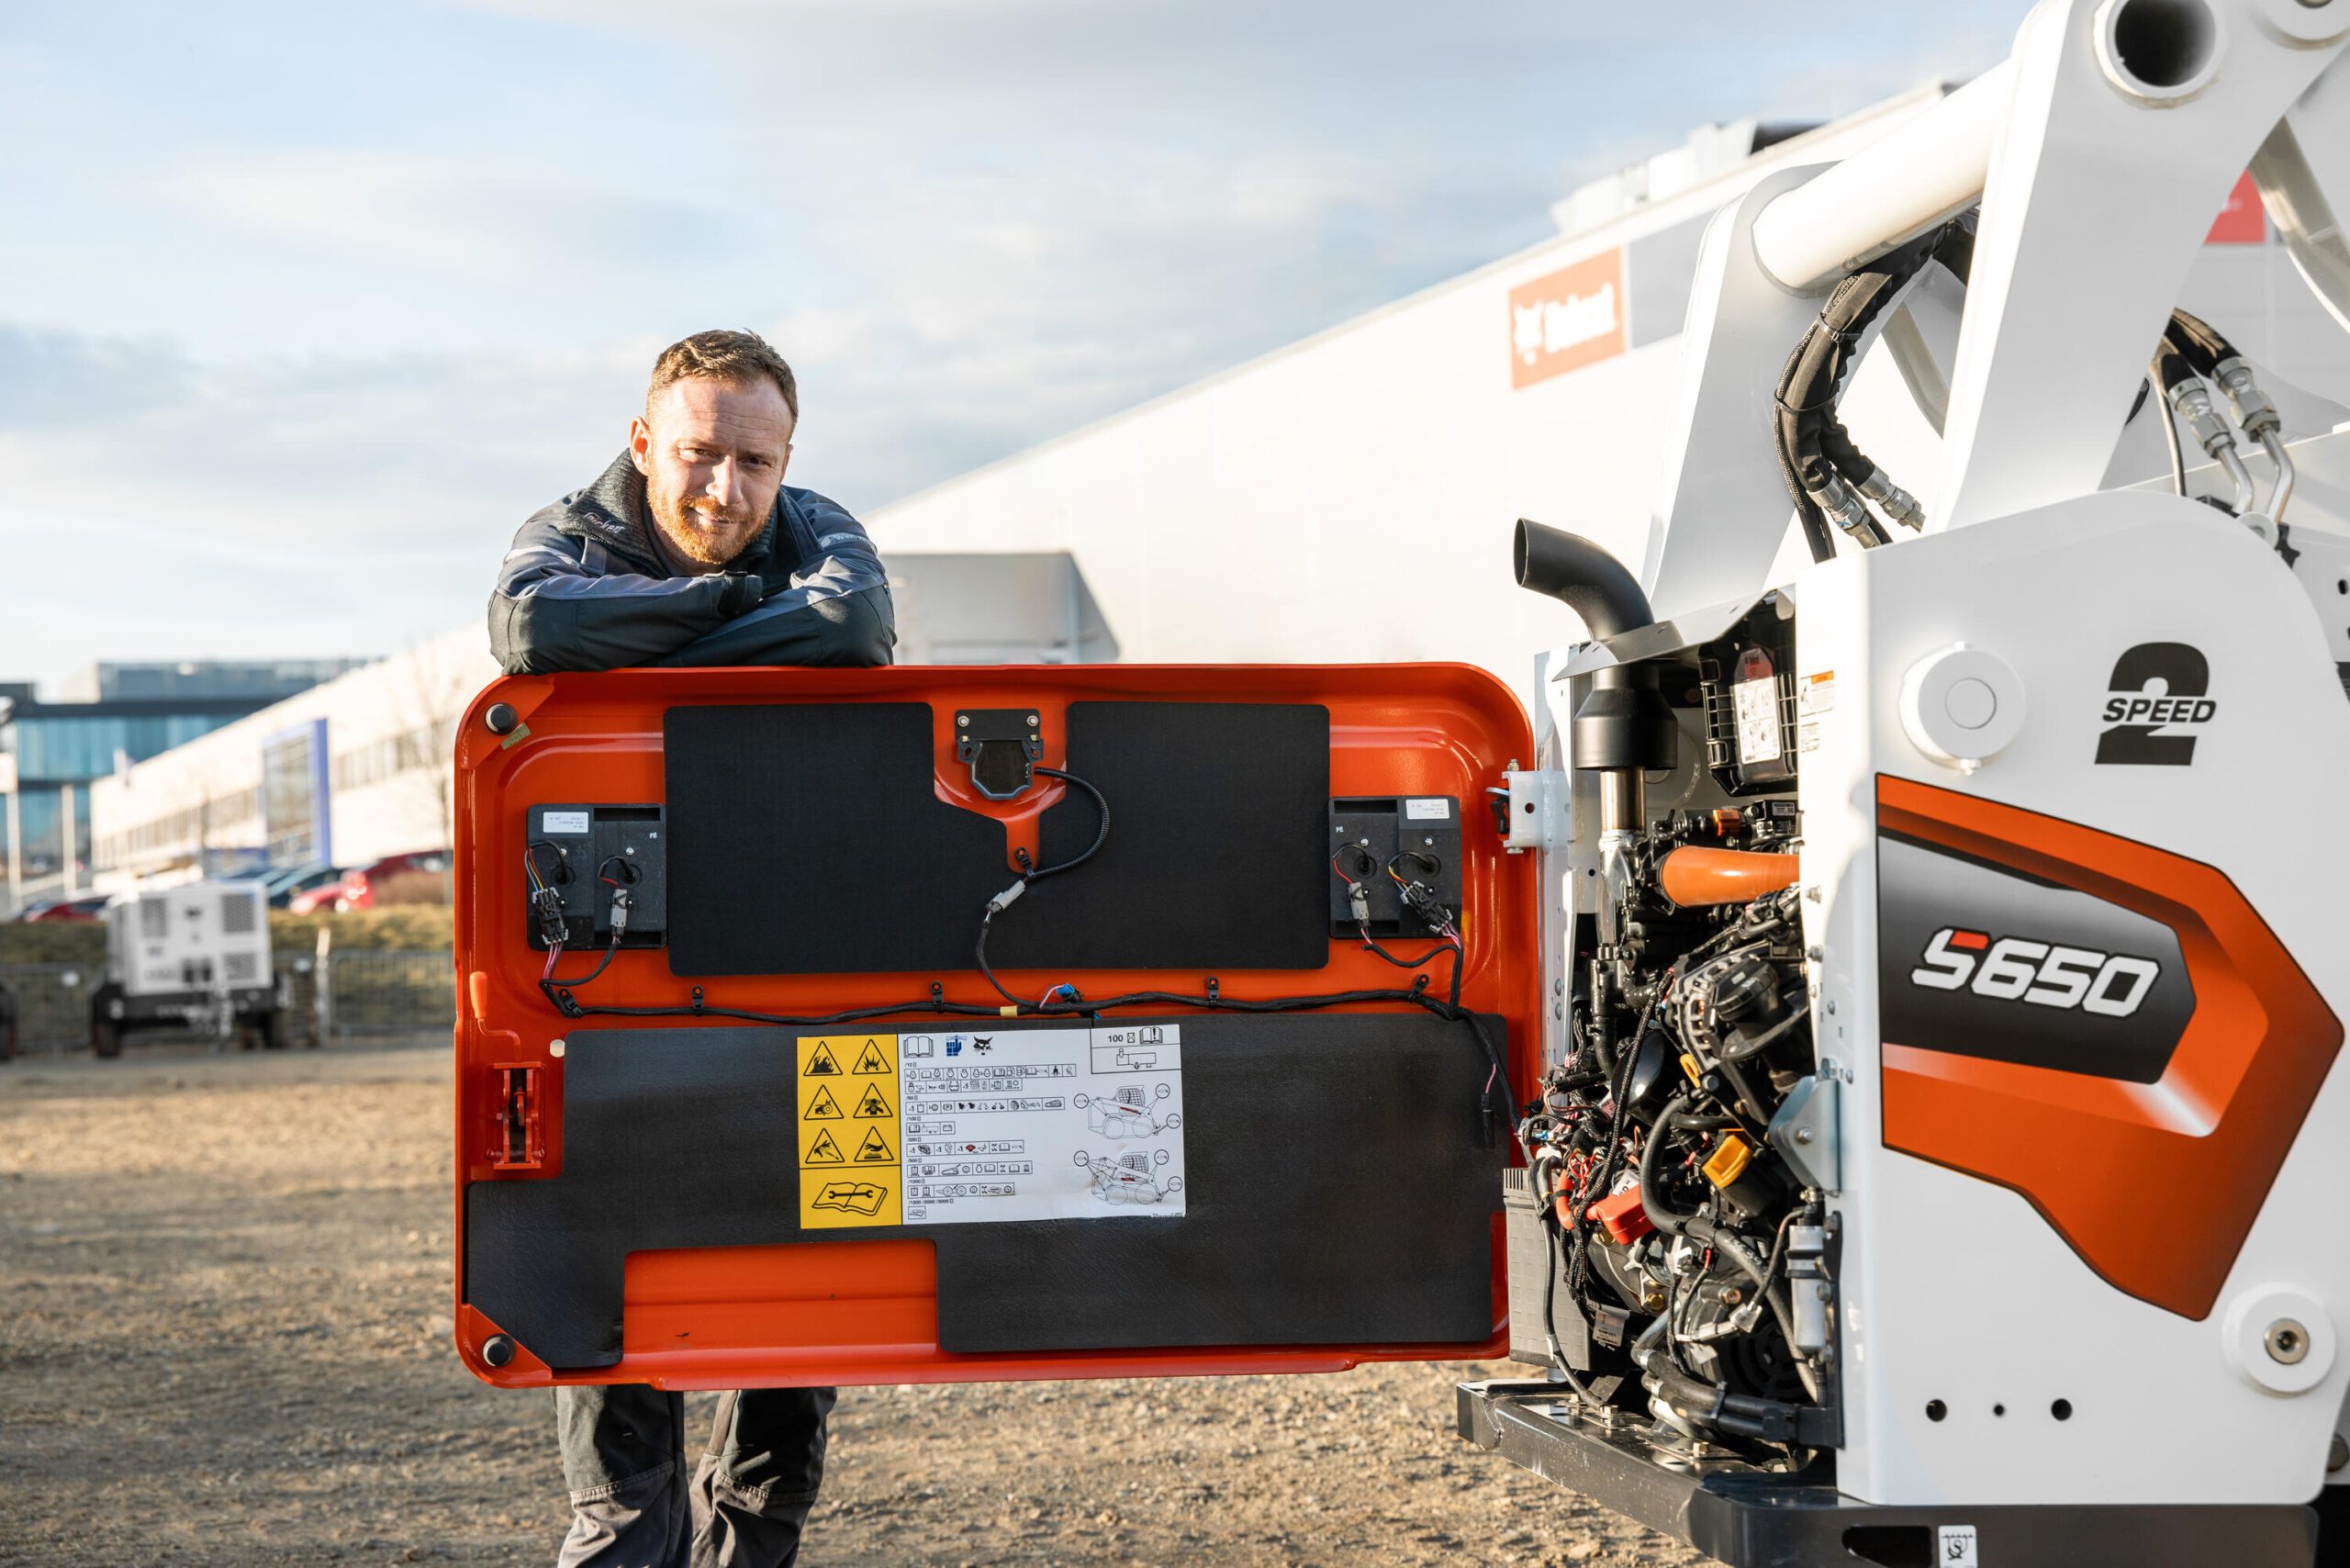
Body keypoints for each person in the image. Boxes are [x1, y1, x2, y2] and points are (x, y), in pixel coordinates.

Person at [488, 329, 888, 1566]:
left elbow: (857, 628)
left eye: (756, 464)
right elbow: (533, 631)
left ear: (790, 459)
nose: (727, 492)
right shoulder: (564, 538)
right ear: (641, 443)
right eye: (701, 456)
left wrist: (650, 640)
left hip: (807, 968)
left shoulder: (824, 533)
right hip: (615, 986)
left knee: (803, 1310)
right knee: (621, 1315)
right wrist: (739, 610)